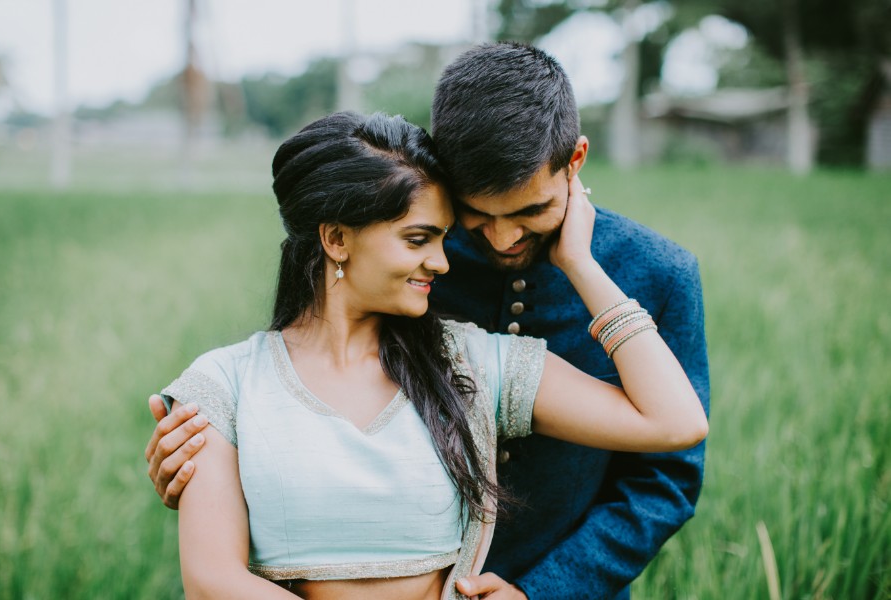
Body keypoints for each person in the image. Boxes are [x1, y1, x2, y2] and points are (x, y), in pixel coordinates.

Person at [147, 43, 711, 599]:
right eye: (474, 215)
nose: (501, 238)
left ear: (575, 162)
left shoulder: (651, 276)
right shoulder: (405, 269)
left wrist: (543, 592)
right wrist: (222, 470)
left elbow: (665, 471)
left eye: (531, 212)